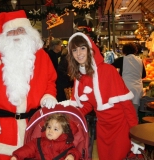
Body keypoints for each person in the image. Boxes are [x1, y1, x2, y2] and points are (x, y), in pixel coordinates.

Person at [0, 10, 57, 160]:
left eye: (21, 30)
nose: (16, 34)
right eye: (11, 31)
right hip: (3, 128)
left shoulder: (41, 55)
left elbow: (51, 79)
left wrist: (49, 94)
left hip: (33, 125)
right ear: (4, 35)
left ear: (29, 32)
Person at [62, 32, 138, 160]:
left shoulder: (108, 70)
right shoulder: (80, 77)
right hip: (102, 127)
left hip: (121, 127)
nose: (79, 53)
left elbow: (127, 106)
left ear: (90, 49)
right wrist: (66, 112)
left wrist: (135, 135)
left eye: (82, 48)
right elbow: (87, 106)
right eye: (74, 50)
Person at [10, 113, 81, 160]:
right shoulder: (37, 142)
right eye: (49, 127)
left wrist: (72, 155)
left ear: (63, 132)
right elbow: (27, 149)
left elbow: (75, 151)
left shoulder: (65, 144)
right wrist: (16, 156)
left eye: (55, 129)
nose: (50, 131)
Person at [112, 43, 146, 116]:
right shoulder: (140, 61)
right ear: (135, 51)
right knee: (134, 112)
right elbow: (144, 75)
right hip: (137, 89)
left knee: (125, 113)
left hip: (125, 88)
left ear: (124, 51)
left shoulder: (122, 59)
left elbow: (110, 67)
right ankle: (135, 127)